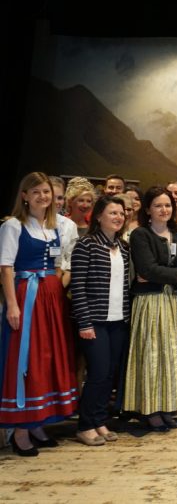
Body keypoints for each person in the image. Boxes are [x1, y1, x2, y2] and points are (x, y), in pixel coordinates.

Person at [0, 172, 78, 456]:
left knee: (46, 357)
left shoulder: (54, 226)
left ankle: (38, 422)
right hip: (27, 296)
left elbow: (58, 264)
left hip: (50, 298)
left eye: (46, 192)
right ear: (24, 196)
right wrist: (12, 305)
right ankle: (21, 429)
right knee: (27, 358)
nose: (42, 197)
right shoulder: (13, 225)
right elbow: (6, 267)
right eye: (36, 192)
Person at [125, 187, 177, 431]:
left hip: (174, 302)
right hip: (151, 302)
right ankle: (151, 410)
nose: (164, 209)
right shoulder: (141, 235)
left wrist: (169, 274)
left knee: (172, 356)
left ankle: (168, 407)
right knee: (152, 356)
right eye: (158, 205)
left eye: (167, 205)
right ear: (147, 209)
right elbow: (148, 269)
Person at [71, 195, 130, 446]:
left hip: (118, 319)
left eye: (121, 213)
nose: (118, 217)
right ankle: (85, 425)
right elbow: (77, 286)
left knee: (110, 374)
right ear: (98, 216)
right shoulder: (86, 244)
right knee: (97, 372)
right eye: (112, 213)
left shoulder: (123, 247)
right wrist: (84, 322)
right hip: (94, 320)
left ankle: (99, 420)